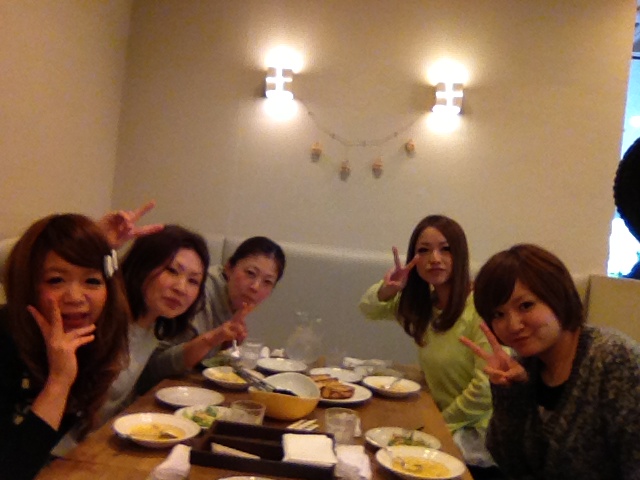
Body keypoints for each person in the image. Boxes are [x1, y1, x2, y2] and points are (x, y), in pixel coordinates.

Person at [461, 244, 640, 479]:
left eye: (526, 306)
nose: (513, 325)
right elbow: (512, 466)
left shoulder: (614, 360)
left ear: (557, 296)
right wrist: (509, 394)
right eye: (499, 314)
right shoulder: (526, 365)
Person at [359, 215, 500, 475]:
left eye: (445, 249)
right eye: (424, 251)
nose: (434, 258)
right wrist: (390, 288)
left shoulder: (479, 306)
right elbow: (368, 308)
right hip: (443, 421)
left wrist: (439, 424)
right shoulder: (427, 305)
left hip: (479, 438)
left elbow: (485, 388)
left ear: (460, 255)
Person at [0, 214, 132, 480]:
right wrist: (59, 381)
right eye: (56, 280)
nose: (75, 297)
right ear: (28, 284)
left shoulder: (90, 338)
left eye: (92, 281)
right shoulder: (5, 338)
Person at [97, 225, 244, 422]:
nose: (181, 288)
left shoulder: (153, 328)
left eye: (193, 281)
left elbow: (139, 385)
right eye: (172, 271)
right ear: (143, 265)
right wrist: (100, 244)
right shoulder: (103, 320)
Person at [135, 236, 286, 392]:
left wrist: (226, 344)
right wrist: (212, 339)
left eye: (267, 282)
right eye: (250, 273)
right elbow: (151, 369)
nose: (255, 287)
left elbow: (203, 363)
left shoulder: (232, 301)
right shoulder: (198, 295)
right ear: (229, 267)